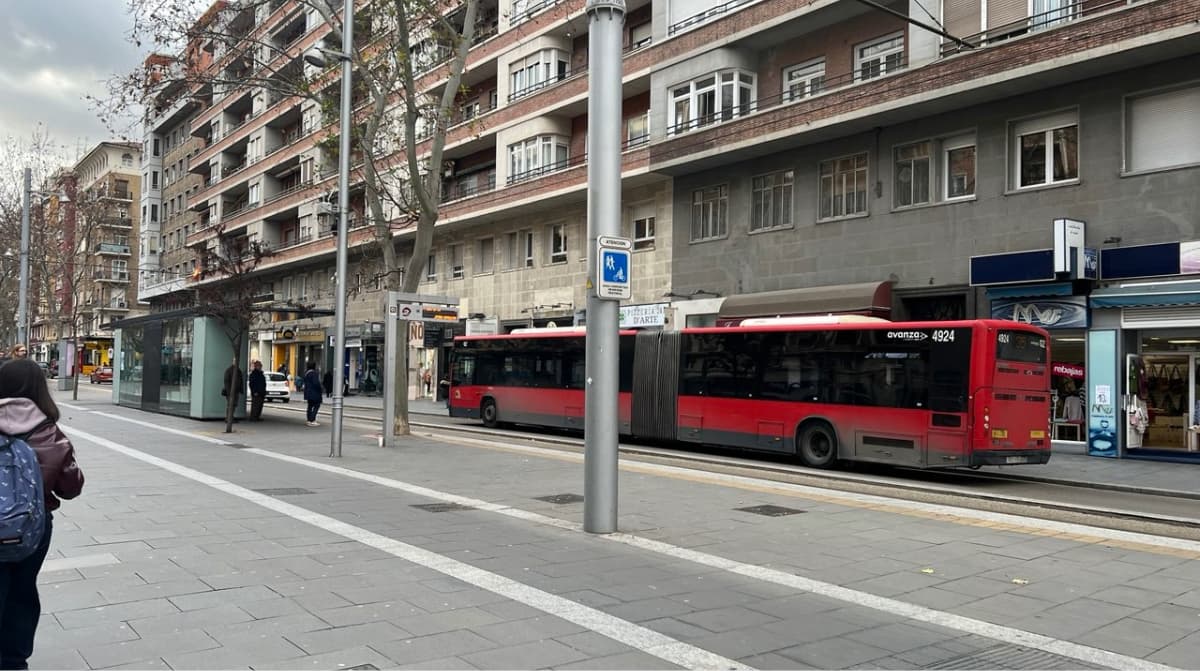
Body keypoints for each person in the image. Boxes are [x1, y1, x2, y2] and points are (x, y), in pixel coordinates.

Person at [0, 359, 85, 670]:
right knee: (22, 591)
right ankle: (12, 661)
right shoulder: (50, 433)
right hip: (31, 530)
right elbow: (71, 488)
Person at [303, 361, 323, 427]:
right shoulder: (314, 373)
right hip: (314, 393)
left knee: (310, 406)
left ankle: (309, 420)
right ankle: (312, 420)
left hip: (308, 393)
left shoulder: (306, 373)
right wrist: (320, 389)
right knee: (317, 405)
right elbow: (316, 383)